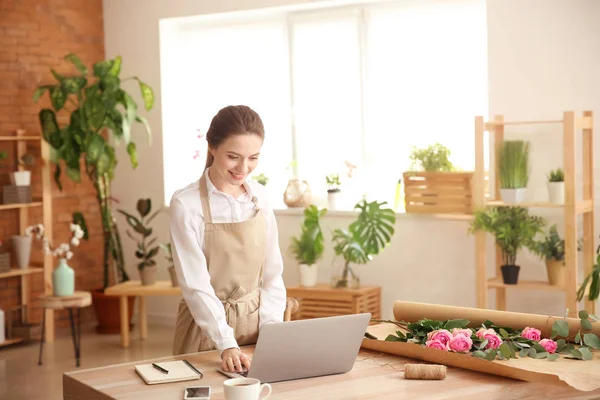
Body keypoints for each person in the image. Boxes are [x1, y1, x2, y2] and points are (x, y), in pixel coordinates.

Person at [169, 105, 287, 374]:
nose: (243, 168)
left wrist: (271, 331)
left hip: (257, 325)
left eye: (253, 157)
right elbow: (194, 284)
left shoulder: (261, 198)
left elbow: (272, 274)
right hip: (205, 330)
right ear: (212, 147)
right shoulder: (186, 204)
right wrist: (225, 342)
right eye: (233, 156)